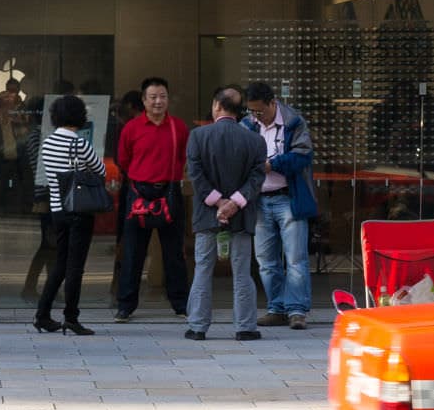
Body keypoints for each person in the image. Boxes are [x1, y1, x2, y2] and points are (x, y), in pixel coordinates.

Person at [184, 89, 268, 343]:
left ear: (217, 106)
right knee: (242, 271)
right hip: (241, 215)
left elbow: (195, 175)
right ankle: (245, 326)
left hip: (207, 213)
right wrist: (235, 203)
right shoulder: (255, 140)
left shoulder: (198, 136)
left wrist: (217, 201)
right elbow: (257, 178)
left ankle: (198, 326)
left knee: (203, 269)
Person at [113, 76, 191, 321]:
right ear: (144, 101)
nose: (158, 101)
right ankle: (126, 305)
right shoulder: (132, 128)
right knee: (133, 252)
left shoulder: (178, 127)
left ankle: (180, 304)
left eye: (163, 96)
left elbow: (183, 158)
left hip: (169, 192)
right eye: (153, 97)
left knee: (174, 252)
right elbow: (123, 160)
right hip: (138, 194)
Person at [243, 81, 318, 329]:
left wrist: (271, 165)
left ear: (272, 103)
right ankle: (276, 307)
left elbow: (302, 156)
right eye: (252, 111)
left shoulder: (294, 121)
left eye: (260, 111)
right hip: (260, 199)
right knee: (265, 259)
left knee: (295, 257)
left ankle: (297, 310)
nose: (256, 116)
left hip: (289, 196)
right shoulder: (248, 124)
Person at [33, 92, 107, 338]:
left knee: (61, 264)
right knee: (76, 267)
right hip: (79, 210)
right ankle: (71, 317)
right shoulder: (80, 143)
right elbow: (100, 169)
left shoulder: (48, 142)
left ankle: (42, 314)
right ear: (79, 116)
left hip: (57, 210)